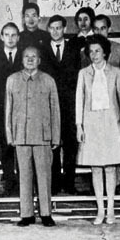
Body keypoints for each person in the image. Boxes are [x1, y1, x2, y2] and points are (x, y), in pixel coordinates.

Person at [75, 35, 120, 225]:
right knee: (96, 168)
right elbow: (79, 100)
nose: (94, 55)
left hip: (110, 122)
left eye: (97, 51)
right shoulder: (83, 73)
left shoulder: (115, 72)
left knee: (110, 167)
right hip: (91, 123)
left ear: (105, 52)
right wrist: (79, 126)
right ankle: (100, 210)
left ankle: (111, 210)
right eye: (91, 51)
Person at [5, 46, 60, 228]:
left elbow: (55, 110)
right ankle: (26, 214)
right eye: (26, 56)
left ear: (39, 60)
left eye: (33, 57)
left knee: (44, 176)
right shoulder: (12, 80)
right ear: (21, 60)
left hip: (43, 136)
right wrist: (10, 134)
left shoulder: (48, 80)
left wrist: (55, 136)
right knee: (24, 176)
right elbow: (8, 109)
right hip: (21, 135)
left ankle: (46, 213)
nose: (30, 59)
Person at [41, 15, 81, 194]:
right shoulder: (42, 49)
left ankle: (70, 183)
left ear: (64, 29)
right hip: (49, 104)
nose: (55, 31)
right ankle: (55, 184)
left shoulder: (74, 48)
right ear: (48, 29)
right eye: (52, 28)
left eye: (59, 28)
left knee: (71, 144)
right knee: (53, 144)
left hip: (70, 105)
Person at [0, 23, 23, 195]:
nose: (10, 39)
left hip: (22, 108)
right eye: (7, 35)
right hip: (2, 108)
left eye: (13, 35)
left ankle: (25, 185)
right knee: (6, 147)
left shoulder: (25, 57)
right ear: (1, 37)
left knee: (23, 147)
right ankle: (10, 183)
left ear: (18, 37)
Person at [92, 14, 120, 85]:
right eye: (96, 29)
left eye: (103, 28)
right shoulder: (86, 51)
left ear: (109, 29)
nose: (99, 32)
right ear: (93, 30)